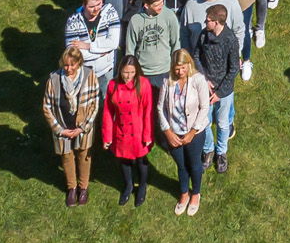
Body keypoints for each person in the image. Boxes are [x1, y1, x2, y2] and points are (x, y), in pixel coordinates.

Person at [43, 43, 101, 206]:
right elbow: (47, 106)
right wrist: (59, 129)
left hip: (83, 127)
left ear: (79, 63)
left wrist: (83, 127)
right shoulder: (53, 79)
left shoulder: (90, 75)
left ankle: (83, 188)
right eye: (65, 65)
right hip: (63, 127)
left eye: (72, 65)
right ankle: (72, 188)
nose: (68, 68)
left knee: (84, 155)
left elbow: (95, 103)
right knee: (67, 156)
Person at [186, 2, 241, 176]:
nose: (205, 22)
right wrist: (204, 79)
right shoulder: (204, 35)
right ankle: (208, 149)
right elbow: (196, 56)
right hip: (206, 86)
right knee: (205, 121)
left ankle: (221, 152)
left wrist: (219, 92)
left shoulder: (230, 40)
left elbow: (233, 69)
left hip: (223, 91)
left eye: (208, 20)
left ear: (217, 22)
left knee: (223, 123)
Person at [158, 48, 213, 216]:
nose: (180, 72)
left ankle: (195, 194)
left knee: (195, 164)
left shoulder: (198, 80)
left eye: (183, 67)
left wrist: (192, 132)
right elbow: (160, 108)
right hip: (174, 133)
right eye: (177, 68)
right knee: (181, 166)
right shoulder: (167, 81)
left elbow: (205, 107)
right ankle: (184, 194)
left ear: (189, 64)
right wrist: (167, 131)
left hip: (194, 133)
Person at [100, 53, 155, 209]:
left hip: (138, 131)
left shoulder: (143, 84)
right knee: (124, 160)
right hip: (121, 131)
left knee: (141, 161)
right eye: (125, 72)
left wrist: (147, 134)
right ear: (120, 70)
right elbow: (108, 113)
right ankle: (128, 186)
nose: (128, 76)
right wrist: (107, 136)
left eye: (132, 72)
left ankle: (142, 186)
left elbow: (148, 111)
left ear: (136, 71)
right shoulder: (112, 85)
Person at [63, 0, 121, 81]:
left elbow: (113, 43)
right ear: (83, 5)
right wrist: (101, 53)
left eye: (99, 4)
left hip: (107, 70)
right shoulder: (73, 21)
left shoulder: (110, 12)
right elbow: (73, 53)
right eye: (92, 6)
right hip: (84, 72)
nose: (97, 8)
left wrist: (88, 46)